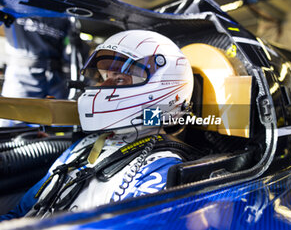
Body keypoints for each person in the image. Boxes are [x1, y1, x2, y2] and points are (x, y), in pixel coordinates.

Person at [0, 29, 194, 220]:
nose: (103, 88)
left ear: (164, 88)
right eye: (103, 78)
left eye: (119, 79)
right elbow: (21, 212)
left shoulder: (159, 168)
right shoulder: (84, 145)